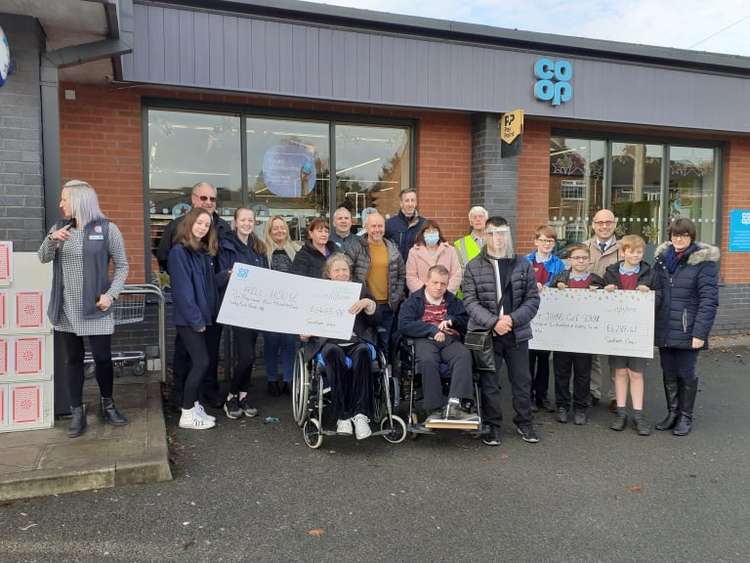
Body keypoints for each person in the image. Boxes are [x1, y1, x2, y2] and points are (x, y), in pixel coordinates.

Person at [38, 180, 129, 438]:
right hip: (66, 307)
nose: (60, 204)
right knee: (73, 360)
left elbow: (122, 266)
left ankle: (107, 404)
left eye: (64, 199)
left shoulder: (108, 229)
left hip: (96, 306)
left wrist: (111, 295)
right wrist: (51, 239)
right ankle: (76, 411)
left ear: (79, 200)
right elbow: (43, 257)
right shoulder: (59, 228)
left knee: (102, 358)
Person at [462, 216, 541, 447]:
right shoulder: (473, 266)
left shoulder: (522, 264)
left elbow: (532, 299)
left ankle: (524, 422)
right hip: (488, 334)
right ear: (486, 235)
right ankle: (492, 426)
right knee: (490, 382)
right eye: (493, 233)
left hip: (517, 333)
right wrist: (494, 322)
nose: (498, 238)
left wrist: (512, 320)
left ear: (508, 235)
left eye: (502, 233)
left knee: (522, 381)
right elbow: (470, 302)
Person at [157, 182, 231, 410]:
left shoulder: (223, 227)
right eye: (203, 198)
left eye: (212, 199)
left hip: (214, 301)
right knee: (188, 354)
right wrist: (188, 286)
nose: (208, 202)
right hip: (191, 306)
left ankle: (206, 394)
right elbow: (164, 259)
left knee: (209, 352)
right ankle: (182, 397)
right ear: (193, 199)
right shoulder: (178, 230)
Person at [301, 254, 381, 440]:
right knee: (333, 353)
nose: (341, 273)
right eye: (336, 270)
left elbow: (376, 321)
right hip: (329, 342)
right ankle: (343, 416)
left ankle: (361, 415)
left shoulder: (360, 289)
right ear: (329, 273)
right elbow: (308, 317)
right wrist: (305, 332)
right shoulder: (319, 292)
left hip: (356, 340)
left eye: (344, 269)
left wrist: (369, 305)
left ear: (350, 272)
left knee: (362, 352)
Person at [652, 218, 719, 436]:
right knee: (668, 372)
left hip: (687, 328)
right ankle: (672, 413)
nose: (678, 239)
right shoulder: (662, 259)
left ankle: (685, 417)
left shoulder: (704, 262)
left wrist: (700, 332)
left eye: (683, 235)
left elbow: (709, 300)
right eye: (674, 235)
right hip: (664, 327)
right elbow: (656, 290)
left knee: (686, 374)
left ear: (691, 237)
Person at [399, 265, 475, 422]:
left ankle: (455, 405)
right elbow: (404, 325)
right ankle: (434, 408)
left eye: (443, 284)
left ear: (447, 284)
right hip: (424, 339)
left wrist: (453, 320)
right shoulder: (413, 301)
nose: (439, 287)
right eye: (435, 282)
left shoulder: (454, 301)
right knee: (427, 360)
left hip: (449, 338)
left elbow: (467, 321)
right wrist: (431, 330)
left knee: (463, 354)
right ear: (427, 281)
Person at [168, 208, 220, 430]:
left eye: (206, 225)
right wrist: (197, 320)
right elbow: (183, 292)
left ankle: (195, 405)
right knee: (201, 363)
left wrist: (227, 275)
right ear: (189, 223)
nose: (202, 228)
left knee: (197, 363)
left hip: (203, 318)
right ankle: (187, 413)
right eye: (199, 223)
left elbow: (208, 287)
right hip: (190, 320)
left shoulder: (201, 253)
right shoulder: (179, 252)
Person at [603, 234, 658, 436]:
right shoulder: (611, 272)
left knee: (636, 373)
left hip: (639, 332)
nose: (635, 255)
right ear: (623, 252)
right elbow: (599, 296)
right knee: (619, 372)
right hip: (616, 331)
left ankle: (638, 414)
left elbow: (659, 297)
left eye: (639, 251)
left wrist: (649, 292)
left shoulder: (649, 273)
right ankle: (621, 413)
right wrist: (605, 290)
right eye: (631, 251)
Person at [216, 208, 267, 419]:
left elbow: (265, 276)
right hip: (236, 309)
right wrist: (228, 274)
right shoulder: (226, 246)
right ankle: (231, 397)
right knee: (246, 356)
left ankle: (243, 396)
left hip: (255, 308)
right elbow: (217, 277)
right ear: (235, 222)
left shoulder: (258, 247)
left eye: (250, 220)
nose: (247, 223)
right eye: (243, 220)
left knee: (249, 355)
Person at [551, 243, 605, 425]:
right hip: (562, 335)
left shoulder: (597, 281)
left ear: (589, 261)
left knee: (583, 374)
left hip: (585, 338)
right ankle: (562, 406)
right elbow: (548, 302)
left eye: (584, 258)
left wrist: (601, 294)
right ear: (570, 260)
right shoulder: (560, 279)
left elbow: (607, 307)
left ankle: (581, 407)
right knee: (561, 372)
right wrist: (553, 289)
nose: (580, 261)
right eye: (576, 258)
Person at [346, 212, 406, 358]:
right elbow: (347, 272)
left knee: (384, 343)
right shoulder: (356, 246)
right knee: (366, 343)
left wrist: (396, 297)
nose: (377, 229)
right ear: (366, 227)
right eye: (373, 226)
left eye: (380, 226)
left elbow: (401, 275)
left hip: (387, 305)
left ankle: (382, 376)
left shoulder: (392, 248)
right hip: (364, 306)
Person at [525, 225, 565, 413]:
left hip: (550, 315)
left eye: (550, 241)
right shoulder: (525, 261)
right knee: (528, 358)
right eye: (543, 240)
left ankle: (542, 395)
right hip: (528, 316)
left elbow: (561, 282)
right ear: (535, 242)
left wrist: (547, 285)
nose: (546, 244)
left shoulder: (559, 264)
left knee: (544, 358)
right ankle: (529, 396)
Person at [584, 209, 621, 410]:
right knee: (593, 355)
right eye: (600, 222)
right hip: (591, 310)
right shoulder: (583, 248)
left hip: (617, 310)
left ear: (614, 224)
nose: (604, 226)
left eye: (608, 222)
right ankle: (593, 392)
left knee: (616, 354)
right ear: (593, 225)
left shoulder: (625, 248)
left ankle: (617, 396)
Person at [263, 216, 300, 396]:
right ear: (269, 231)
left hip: (290, 305)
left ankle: (288, 379)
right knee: (271, 343)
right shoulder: (262, 250)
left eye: (282, 227)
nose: (279, 231)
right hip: (269, 306)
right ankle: (271, 379)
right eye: (275, 228)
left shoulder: (296, 249)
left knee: (289, 342)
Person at [405, 220, 462, 295]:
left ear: (439, 233)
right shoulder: (414, 252)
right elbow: (411, 277)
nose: (431, 233)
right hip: (421, 298)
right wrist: (426, 294)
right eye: (428, 231)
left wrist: (444, 292)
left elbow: (456, 275)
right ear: (423, 234)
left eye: (434, 231)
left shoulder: (450, 250)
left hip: (445, 297)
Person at [385, 188, 427, 261]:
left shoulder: (424, 223)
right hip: (396, 269)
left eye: (413, 200)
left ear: (416, 202)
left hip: (416, 269)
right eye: (407, 201)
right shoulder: (389, 224)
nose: (410, 204)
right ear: (401, 203)